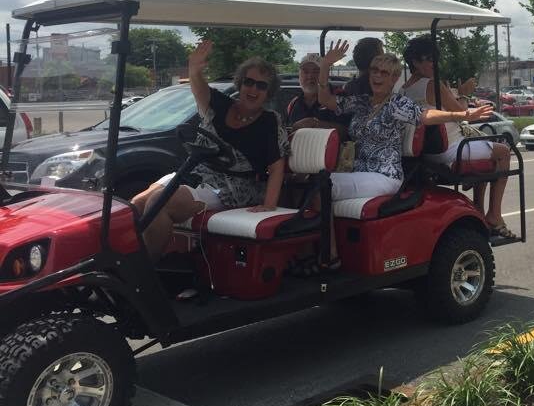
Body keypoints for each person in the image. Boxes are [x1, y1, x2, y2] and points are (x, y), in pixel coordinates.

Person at [132, 41, 288, 260]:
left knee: (159, 203)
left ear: (268, 92)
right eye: (249, 82)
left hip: (230, 187)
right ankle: (125, 263)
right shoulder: (220, 104)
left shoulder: (269, 122)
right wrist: (194, 69)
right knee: (135, 204)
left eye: (261, 86)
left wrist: (269, 205)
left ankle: (147, 269)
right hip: (195, 173)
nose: (253, 89)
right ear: (240, 83)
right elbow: (199, 88)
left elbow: (277, 167)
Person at [311, 40, 494, 203]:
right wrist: (325, 65)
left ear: (394, 78)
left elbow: (425, 115)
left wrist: (461, 115)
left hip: (384, 174)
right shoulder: (362, 102)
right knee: (311, 182)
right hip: (360, 171)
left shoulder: (396, 103)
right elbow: (325, 99)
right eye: (374, 71)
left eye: (384, 73)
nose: (377, 76)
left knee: (322, 188)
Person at [401, 36, 515, 238]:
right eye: (429, 59)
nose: (434, 64)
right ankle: (494, 215)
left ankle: (479, 211)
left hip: (428, 152)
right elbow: (461, 112)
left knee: (485, 151)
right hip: (450, 149)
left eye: (435, 59)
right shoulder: (433, 84)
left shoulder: (406, 88)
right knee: (504, 152)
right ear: (415, 62)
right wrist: (465, 94)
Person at [286, 53, 348, 138]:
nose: (310, 76)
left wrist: (316, 124)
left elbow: (347, 132)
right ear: (299, 75)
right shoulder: (294, 103)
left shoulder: (338, 97)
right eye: (305, 71)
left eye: (316, 72)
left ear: (324, 75)